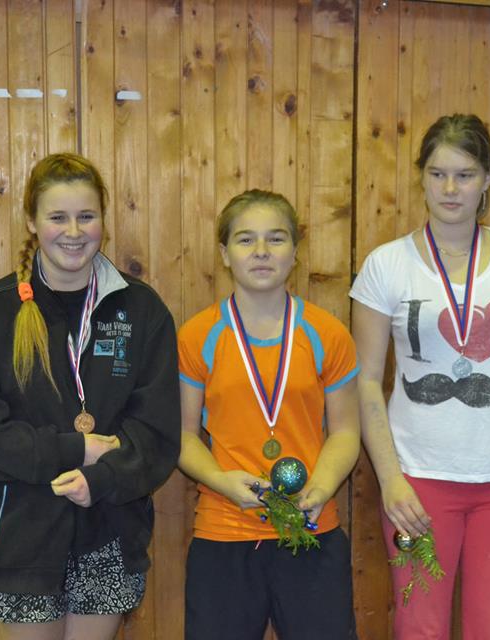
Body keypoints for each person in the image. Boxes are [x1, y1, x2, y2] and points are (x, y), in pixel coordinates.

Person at [0, 153, 180, 640]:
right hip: (19, 536)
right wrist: (74, 450)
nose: (73, 231)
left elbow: (156, 430)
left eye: (86, 216)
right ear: (32, 221)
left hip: (108, 527)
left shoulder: (142, 310)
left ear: (103, 222)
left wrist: (103, 477)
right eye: (58, 217)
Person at [350, 114, 490, 640]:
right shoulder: (386, 265)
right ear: (421, 177)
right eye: (438, 174)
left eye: (464, 175)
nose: (450, 189)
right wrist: (391, 479)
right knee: (419, 628)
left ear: (487, 178)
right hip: (417, 482)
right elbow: (365, 380)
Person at [177, 189, 361, 640]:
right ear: (225, 254)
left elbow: (345, 432)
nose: (261, 251)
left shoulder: (327, 333)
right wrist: (222, 482)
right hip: (224, 533)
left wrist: (320, 488)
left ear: (295, 252)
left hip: (311, 529)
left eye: (276, 238)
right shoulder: (198, 335)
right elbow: (181, 436)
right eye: (245, 239)